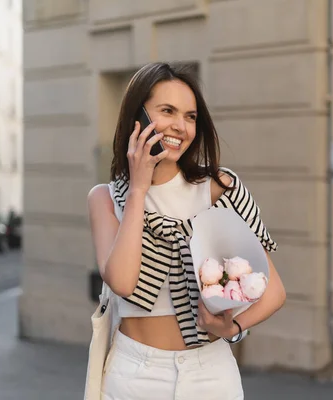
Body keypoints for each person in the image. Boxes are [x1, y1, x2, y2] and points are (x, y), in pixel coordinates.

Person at [87, 62, 286, 400]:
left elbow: (274, 291)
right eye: (167, 111)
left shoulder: (220, 189)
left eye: (191, 116)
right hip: (135, 374)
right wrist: (138, 189)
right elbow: (122, 281)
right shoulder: (107, 198)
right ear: (139, 117)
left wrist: (232, 328)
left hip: (209, 372)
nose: (181, 126)